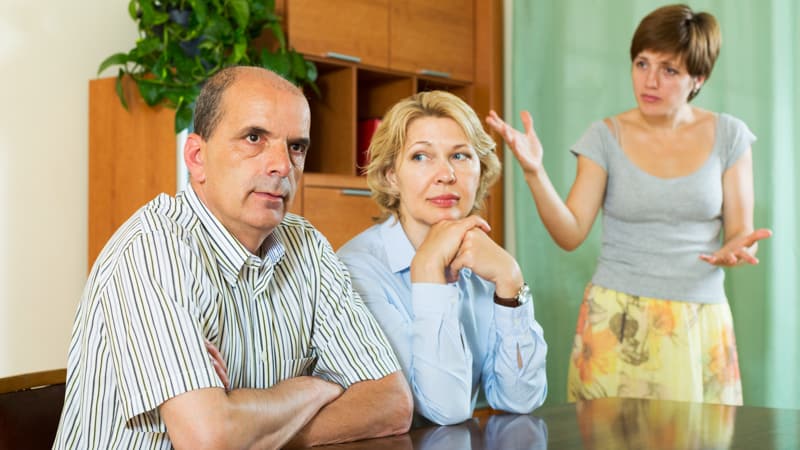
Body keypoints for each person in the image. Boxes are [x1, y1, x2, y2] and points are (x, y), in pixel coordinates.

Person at [53, 66, 412, 449]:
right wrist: (310, 391)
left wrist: (250, 428)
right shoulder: (151, 249)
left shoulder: (307, 247)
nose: (282, 165)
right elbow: (209, 439)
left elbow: (391, 403)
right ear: (196, 157)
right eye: (254, 138)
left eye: (296, 147)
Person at [486, 4, 772, 406]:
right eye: (642, 63)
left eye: (669, 70)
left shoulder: (730, 136)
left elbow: (743, 231)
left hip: (699, 320)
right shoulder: (604, 137)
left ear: (698, 78)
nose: (649, 80)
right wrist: (535, 172)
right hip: (615, 317)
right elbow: (570, 233)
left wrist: (740, 247)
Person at [338, 91, 548, 426]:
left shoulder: (484, 261)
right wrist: (428, 274)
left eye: (461, 156)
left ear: (481, 171)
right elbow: (443, 410)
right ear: (392, 175)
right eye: (421, 157)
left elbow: (520, 399)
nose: (446, 174)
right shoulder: (356, 271)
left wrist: (511, 281)